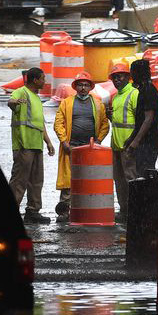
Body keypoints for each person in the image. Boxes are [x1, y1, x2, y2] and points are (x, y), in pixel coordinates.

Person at [52, 71, 110, 216]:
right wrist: (64, 141)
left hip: (90, 148)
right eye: (80, 85)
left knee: (88, 178)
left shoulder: (97, 103)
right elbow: (58, 123)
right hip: (71, 147)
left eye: (86, 85)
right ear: (75, 87)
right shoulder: (67, 102)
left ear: (90, 87)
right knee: (69, 180)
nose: (83, 88)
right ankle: (65, 211)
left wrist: (97, 141)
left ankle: (86, 210)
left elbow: (104, 124)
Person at [7, 67, 55, 223]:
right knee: (19, 180)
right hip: (24, 144)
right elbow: (11, 102)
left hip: (36, 145)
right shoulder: (21, 92)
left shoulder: (36, 98)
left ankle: (33, 211)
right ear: (35, 80)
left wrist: (48, 142)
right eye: (43, 78)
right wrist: (15, 103)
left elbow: (39, 124)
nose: (44, 81)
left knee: (36, 180)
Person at [106, 59, 138, 213]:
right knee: (119, 180)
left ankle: (133, 210)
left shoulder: (134, 94)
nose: (117, 80)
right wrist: (109, 116)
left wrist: (134, 143)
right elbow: (118, 122)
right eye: (114, 77)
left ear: (128, 77)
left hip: (128, 145)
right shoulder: (116, 97)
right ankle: (124, 209)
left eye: (120, 76)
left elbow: (141, 121)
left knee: (130, 179)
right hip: (116, 146)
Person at [124, 58, 158, 177]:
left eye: (132, 72)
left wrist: (135, 142)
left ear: (138, 73)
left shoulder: (148, 90)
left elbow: (148, 119)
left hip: (149, 141)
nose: (131, 75)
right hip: (145, 141)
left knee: (146, 173)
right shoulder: (142, 89)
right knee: (141, 171)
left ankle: (150, 195)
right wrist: (131, 138)